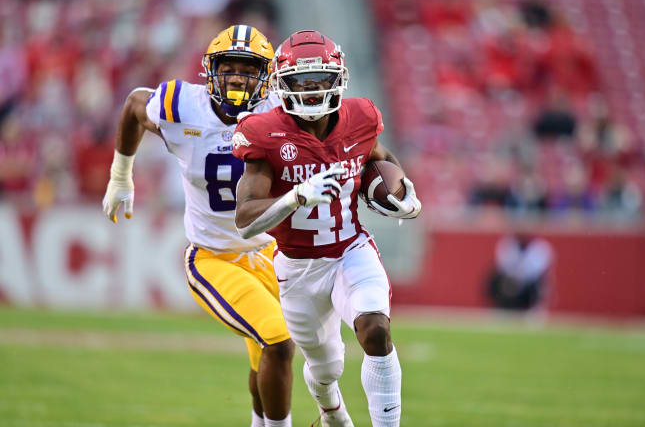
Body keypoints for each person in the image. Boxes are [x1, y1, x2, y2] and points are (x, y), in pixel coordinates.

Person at [101, 25, 295, 427]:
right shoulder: (182, 106)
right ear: (211, 69)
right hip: (214, 257)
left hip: (271, 253)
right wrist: (121, 175)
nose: (239, 77)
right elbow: (136, 104)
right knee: (277, 340)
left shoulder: (281, 112)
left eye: (249, 68)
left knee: (268, 354)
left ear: (267, 75)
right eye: (230, 67)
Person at [233, 30, 422, 427]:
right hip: (297, 267)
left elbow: (380, 158)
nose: (311, 90)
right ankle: (331, 408)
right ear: (282, 86)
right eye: (300, 82)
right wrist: (296, 197)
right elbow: (246, 218)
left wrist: (401, 188)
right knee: (326, 367)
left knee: (375, 331)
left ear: (339, 79)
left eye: (320, 79)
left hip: (350, 250)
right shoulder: (263, 132)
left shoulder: (361, 118)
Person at [486, 231, 554, 311]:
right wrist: (514, 275)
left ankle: (534, 308)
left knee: (540, 283)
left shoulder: (540, 247)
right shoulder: (508, 243)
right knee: (495, 277)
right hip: (511, 279)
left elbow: (536, 270)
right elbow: (504, 265)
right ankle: (500, 306)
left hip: (530, 281)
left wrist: (521, 274)